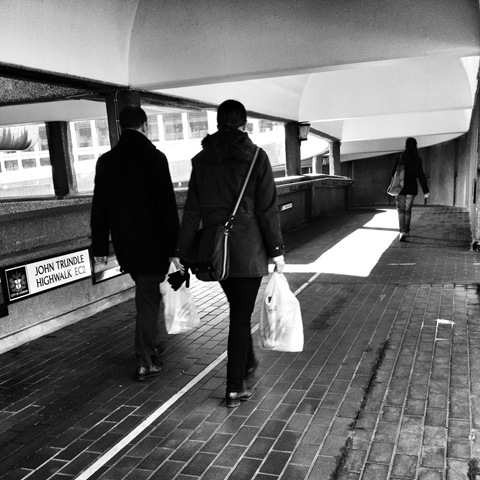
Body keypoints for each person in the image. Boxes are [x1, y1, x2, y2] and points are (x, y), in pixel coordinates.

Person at [172, 100, 285, 408]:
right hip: (249, 251)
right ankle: (235, 387)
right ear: (244, 124)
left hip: (214, 252)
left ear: (218, 123)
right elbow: (268, 209)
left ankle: (247, 364)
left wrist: (181, 251)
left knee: (238, 309)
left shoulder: (201, 160)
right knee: (240, 315)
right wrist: (276, 251)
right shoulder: (257, 157)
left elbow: (192, 210)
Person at [91, 105, 179, 381]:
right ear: (145, 126)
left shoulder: (106, 161)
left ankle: (151, 344)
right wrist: (175, 249)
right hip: (154, 247)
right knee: (147, 301)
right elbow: (167, 207)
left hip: (127, 247)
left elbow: (99, 210)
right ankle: (145, 361)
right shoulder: (155, 158)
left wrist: (100, 250)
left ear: (120, 127)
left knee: (148, 296)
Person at [391, 137, 429, 241]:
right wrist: (425, 190)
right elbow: (421, 175)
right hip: (412, 188)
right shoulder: (417, 159)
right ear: (415, 146)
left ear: (406, 145)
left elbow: (393, 172)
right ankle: (407, 230)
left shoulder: (401, 158)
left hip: (400, 187)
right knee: (407, 210)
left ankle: (402, 231)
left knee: (401, 210)